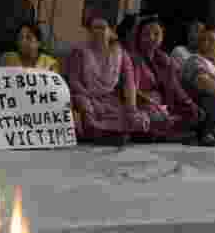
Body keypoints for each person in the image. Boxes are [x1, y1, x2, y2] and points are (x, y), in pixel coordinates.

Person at [65, 14, 143, 145]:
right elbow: (73, 80)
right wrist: (91, 97)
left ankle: (113, 133)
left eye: (102, 27)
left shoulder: (121, 54)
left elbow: (129, 83)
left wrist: (131, 108)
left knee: (131, 115)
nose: (99, 31)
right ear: (89, 31)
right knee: (84, 105)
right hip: (85, 95)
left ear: (110, 31)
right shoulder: (80, 52)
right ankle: (99, 133)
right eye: (95, 28)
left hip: (110, 98)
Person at [129, 15, 203, 142]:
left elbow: (175, 87)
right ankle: (162, 133)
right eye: (146, 34)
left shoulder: (165, 60)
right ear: (139, 36)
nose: (151, 38)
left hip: (164, 106)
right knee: (144, 121)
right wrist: (153, 104)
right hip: (142, 105)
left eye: (156, 34)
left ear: (162, 37)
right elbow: (131, 90)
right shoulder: (132, 59)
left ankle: (165, 132)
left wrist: (190, 103)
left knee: (195, 114)